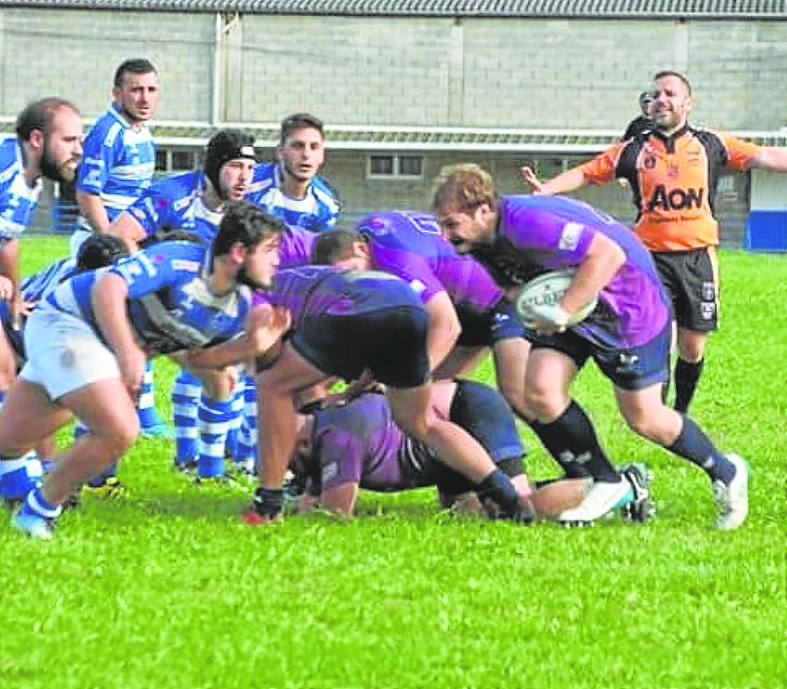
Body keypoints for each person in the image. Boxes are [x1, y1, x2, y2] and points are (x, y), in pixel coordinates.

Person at [431, 163, 748, 529]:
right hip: (577, 303)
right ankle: (606, 480)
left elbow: (607, 255)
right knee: (539, 391)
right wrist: (536, 309)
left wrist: (562, 311)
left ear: (482, 210)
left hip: (628, 306)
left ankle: (726, 471)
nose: (445, 233)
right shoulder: (477, 242)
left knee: (645, 418)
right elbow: (515, 286)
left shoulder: (525, 222)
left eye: (451, 223)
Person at [311, 213, 646, 523]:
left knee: (516, 393)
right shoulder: (371, 239)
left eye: (351, 271)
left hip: (494, 304)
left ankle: (599, 477)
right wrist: (357, 389)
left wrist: (406, 378)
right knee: (463, 491)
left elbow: (447, 328)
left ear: (359, 247)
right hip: (464, 309)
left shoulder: (394, 256)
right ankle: (481, 474)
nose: (353, 282)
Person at [4, 201, 287, 539]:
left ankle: (16, 486)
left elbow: (197, 360)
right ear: (240, 251)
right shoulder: (181, 259)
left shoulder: (235, 305)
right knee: (119, 429)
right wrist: (128, 352)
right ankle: (36, 513)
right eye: (270, 249)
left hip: (96, 346)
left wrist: (250, 347)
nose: (277, 260)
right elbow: (108, 286)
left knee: (8, 441)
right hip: (68, 321)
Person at [184, 264, 535, 527]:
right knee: (420, 422)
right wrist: (349, 393)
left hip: (378, 316)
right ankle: (502, 492)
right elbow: (362, 357)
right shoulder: (311, 289)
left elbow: (261, 343)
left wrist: (198, 357)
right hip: (408, 307)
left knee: (273, 385)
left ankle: (268, 505)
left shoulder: (255, 296)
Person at [522, 70, 787, 413]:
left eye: (670, 93)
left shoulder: (712, 145)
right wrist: (547, 188)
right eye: (656, 94)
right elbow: (587, 172)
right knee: (661, 334)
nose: (661, 99)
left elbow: (766, 157)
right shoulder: (633, 150)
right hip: (649, 259)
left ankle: (682, 411)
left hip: (697, 258)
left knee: (692, 347)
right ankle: (657, 411)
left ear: (687, 103)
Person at [110, 128, 258, 480]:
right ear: (214, 167)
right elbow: (118, 236)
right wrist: (156, 284)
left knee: (232, 370)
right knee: (211, 369)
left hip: (208, 304)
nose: (244, 178)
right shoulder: (172, 195)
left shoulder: (246, 212)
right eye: (235, 166)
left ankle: (210, 458)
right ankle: (201, 461)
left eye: (250, 169)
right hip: (152, 304)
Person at [289, 380, 649, 521]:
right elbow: (312, 500)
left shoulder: (338, 437)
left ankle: (624, 485)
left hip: (467, 410)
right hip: (441, 454)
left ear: (300, 441)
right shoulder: (323, 431)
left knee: (521, 505)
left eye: (282, 458)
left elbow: (335, 514)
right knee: (469, 512)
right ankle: (596, 491)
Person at [0, 234, 130, 502]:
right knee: (49, 397)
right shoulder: (74, 296)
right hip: (22, 328)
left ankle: (41, 477)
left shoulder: (81, 274)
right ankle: (37, 479)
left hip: (26, 328)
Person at [72, 58, 164, 436]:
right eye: (135, 89)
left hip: (128, 243)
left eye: (151, 89)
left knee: (141, 319)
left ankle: (143, 407)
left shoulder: (143, 132)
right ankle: (97, 407)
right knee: (110, 325)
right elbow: (87, 192)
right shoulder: (108, 133)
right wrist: (110, 243)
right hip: (102, 245)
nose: (144, 97)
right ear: (117, 93)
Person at [0, 98, 83, 350]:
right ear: (37, 140)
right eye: (69, 140)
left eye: (79, 140)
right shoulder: (7, 171)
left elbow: (8, 240)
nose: (79, 150)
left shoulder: (29, 179)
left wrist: (16, 299)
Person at [246, 112, 340, 233]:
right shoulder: (249, 181)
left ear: (322, 155)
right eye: (298, 146)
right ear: (280, 152)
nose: (306, 155)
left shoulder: (326, 205)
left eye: (314, 147)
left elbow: (318, 250)